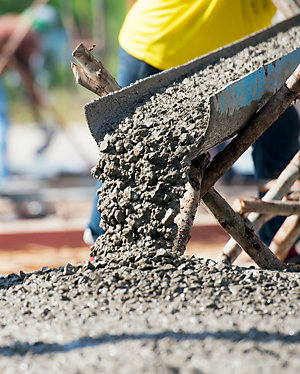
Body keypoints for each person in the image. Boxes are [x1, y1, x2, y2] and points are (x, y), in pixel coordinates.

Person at [85, 0, 300, 261]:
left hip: (227, 59)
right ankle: (105, 242)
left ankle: (279, 240)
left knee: (281, 127)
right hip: (159, 46)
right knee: (131, 147)